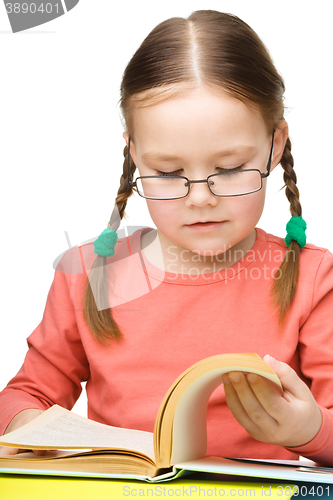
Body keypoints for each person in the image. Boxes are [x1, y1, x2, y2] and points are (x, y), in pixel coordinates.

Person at [0, 10, 332, 466]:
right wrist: (26, 424)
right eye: (169, 172)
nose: (200, 198)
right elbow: (26, 392)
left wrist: (311, 431)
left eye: (230, 168)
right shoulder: (88, 274)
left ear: (275, 146)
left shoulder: (313, 278)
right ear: (135, 155)